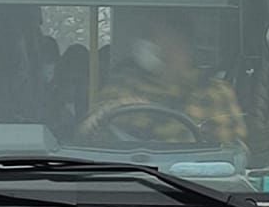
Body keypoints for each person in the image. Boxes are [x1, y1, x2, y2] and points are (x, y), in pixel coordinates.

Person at [75, 9, 245, 146]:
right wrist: (113, 109)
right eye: (147, 37)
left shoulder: (215, 92)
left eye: (153, 36)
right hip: (124, 173)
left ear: (182, 44)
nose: (147, 43)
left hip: (188, 177)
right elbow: (85, 135)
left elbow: (230, 152)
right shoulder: (125, 84)